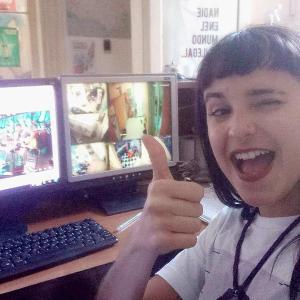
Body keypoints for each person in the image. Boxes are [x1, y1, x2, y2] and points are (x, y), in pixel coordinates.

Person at [96, 25, 300, 300]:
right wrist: (141, 242)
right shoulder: (228, 226)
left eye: (266, 102)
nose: (237, 129)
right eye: (220, 110)